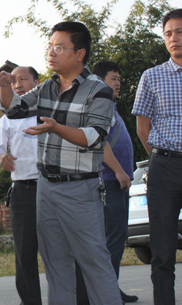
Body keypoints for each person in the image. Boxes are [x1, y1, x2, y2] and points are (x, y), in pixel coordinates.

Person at [0, 21, 122, 304]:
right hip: (46, 188)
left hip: (80, 190)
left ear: (80, 53)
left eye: (60, 48)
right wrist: (4, 88)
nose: (51, 53)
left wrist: (56, 127)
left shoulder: (98, 91)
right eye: (50, 46)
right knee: (56, 265)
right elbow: (15, 109)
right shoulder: (47, 87)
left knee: (95, 265)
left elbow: (96, 137)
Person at [75, 60, 138, 304]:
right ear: (100, 81)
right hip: (110, 181)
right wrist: (120, 171)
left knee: (116, 236)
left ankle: (111, 287)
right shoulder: (101, 107)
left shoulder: (111, 107)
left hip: (117, 182)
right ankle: (105, 292)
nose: (118, 83)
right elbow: (100, 142)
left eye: (119, 79)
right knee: (112, 236)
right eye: (114, 78)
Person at [132, 8, 182, 305]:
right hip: (164, 167)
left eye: (179, 32)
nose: (174, 38)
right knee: (162, 251)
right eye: (168, 33)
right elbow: (142, 128)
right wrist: (161, 158)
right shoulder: (152, 76)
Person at [0, 66, 42, 305]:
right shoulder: (7, 119)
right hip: (23, 192)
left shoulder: (51, 110)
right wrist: (1, 158)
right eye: (14, 81)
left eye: (23, 79)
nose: (18, 85)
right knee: (25, 254)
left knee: (62, 252)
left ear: (37, 82)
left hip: (53, 188)